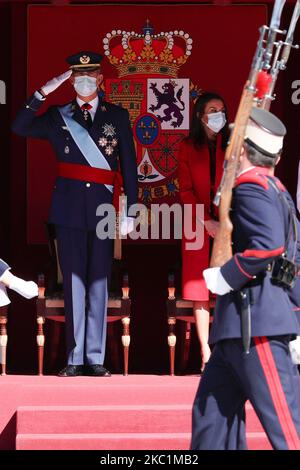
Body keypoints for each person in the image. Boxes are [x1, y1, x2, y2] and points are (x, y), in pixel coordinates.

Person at [12, 51, 138, 377]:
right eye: (77, 75)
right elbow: (20, 126)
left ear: (100, 79)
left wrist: (132, 211)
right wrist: (41, 93)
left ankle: (94, 358)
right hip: (67, 208)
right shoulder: (58, 115)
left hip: (102, 209)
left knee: (98, 280)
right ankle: (74, 357)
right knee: (73, 283)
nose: (83, 80)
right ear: (71, 80)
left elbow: (129, 167)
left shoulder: (117, 117)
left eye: (90, 74)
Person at [191, 107, 300, 450]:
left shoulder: (252, 187)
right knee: (212, 425)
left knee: (288, 429)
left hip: (256, 327)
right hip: (236, 330)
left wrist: (225, 276)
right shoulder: (275, 188)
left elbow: (269, 247)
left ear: (240, 149)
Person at [178, 92, 229, 370]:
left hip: (227, 224)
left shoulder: (232, 144)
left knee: (226, 287)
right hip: (196, 223)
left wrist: (223, 221)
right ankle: (206, 354)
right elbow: (184, 191)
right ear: (201, 115)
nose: (218, 114)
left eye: (221, 110)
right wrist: (205, 220)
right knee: (199, 290)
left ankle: (224, 351)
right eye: (212, 110)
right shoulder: (187, 147)